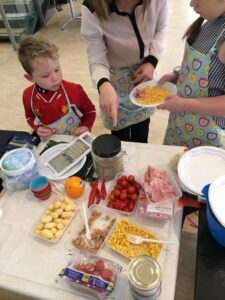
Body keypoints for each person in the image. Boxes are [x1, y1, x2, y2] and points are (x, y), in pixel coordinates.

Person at [81, 0, 168, 142]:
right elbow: (96, 56)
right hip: (113, 78)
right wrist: (103, 84)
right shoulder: (92, 8)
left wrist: (152, 61)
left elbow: (160, 29)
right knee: (119, 136)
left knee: (142, 128)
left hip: (144, 74)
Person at [158, 0, 225, 148]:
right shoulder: (212, 21)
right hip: (181, 123)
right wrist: (178, 74)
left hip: (205, 135)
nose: (191, 4)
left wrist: (183, 104)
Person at [18, 34, 96, 138]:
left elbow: (90, 111)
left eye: (57, 69)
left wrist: (86, 126)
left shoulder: (75, 90)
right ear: (30, 78)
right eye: (46, 75)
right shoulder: (28, 95)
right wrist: (37, 128)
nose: (55, 78)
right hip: (51, 143)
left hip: (76, 140)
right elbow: (29, 117)